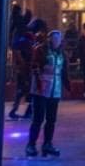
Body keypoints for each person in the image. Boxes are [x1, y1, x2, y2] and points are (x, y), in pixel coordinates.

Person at [27, 28, 71, 157]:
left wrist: (67, 85)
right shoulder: (41, 50)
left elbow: (64, 71)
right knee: (38, 119)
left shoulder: (61, 53)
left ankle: (47, 144)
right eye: (54, 38)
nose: (57, 41)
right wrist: (38, 81)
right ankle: (31, 145)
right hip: (41, 90)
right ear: (49, 39)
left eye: (59, 39)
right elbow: (34, 66)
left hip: (55, 90)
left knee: (51, 119)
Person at [8, 16, 41, 120]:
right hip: (25, 69)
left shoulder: (24, 37)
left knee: (24, 90)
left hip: (25, 68)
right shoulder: (27, 39)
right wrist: (23, 64)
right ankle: (21, 111)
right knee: (25, 89)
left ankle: (22, 110)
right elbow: (20, 52)